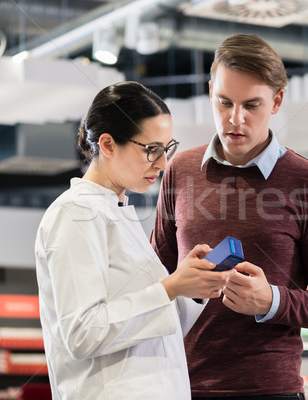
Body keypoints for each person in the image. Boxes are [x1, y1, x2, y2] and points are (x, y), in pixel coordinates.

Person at [151, 34, 308, 399]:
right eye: (224, 102)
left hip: (270, 390)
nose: (235, 118)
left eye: (251, 105)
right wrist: (180, 281)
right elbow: (153, 276)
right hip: (180, 385)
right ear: (210, 91)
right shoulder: (179, 170)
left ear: (276, 101)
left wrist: (272, 300)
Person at [34, 81, 236, 400]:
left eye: (167, 149)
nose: (162, 163)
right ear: (108, 144)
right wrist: (170, 288)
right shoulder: (75, 212)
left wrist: (191, 289)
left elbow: (154, 332)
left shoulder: (115, 210)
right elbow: (82, 335)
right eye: (151, 149)